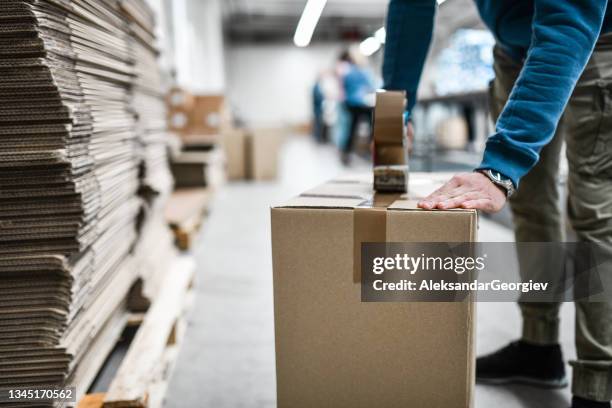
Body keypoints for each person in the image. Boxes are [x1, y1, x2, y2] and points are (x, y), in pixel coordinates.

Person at [382, 1, 612, 407]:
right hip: (514, 50)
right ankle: (539, 347)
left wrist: (502, 165)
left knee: (594, 211)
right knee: (530, 204)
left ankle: (599, 383)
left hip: (596, 43)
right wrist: (395, 107)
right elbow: (411, 5)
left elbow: (568, 20)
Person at [338, 50, 377, 164]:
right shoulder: (365, 72)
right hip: (363, 104)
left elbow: (344, 87)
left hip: (351, 104)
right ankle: (370, 151)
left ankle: (347, 153)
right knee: (372, 126)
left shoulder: (348, 72)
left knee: (352, 128)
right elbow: (370, 86)